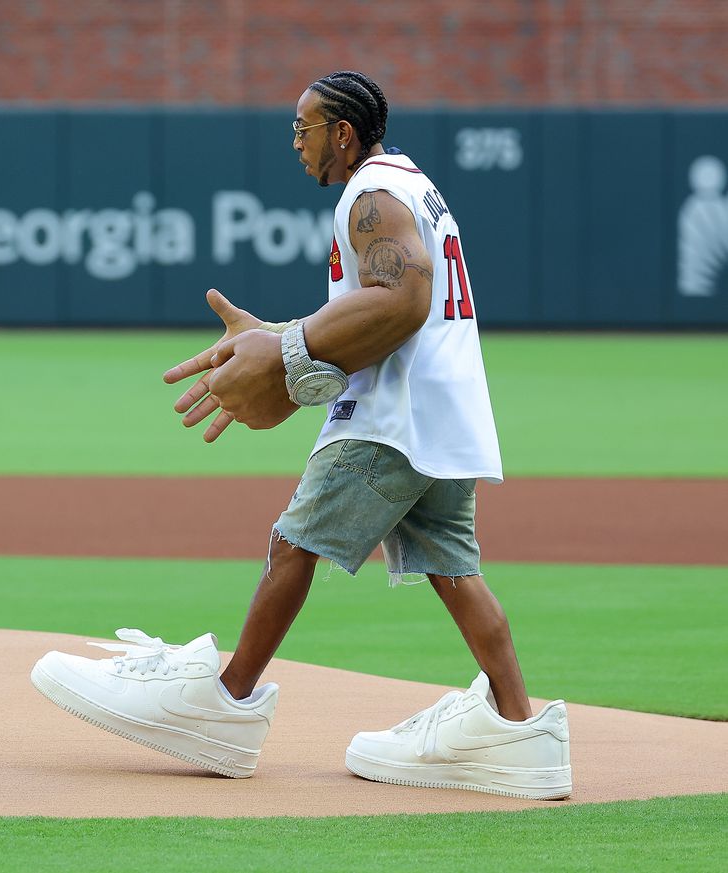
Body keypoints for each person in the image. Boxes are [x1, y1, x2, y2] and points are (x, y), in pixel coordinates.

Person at [31, 71, 571, 800]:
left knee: (294, 543)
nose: (296, 143)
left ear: (342, 133)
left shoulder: (369, 195)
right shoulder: (410, 179)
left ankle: (226, 698)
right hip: (445, 411)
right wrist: (284, 334)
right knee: (453, 567)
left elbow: (403, 298)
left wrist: (289, 355)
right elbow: (383, 302)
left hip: (393, 414)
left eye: (304, 128)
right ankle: (520, 728)